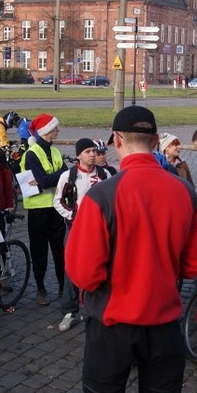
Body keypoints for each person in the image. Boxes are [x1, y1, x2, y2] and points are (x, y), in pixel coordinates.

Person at [65, 106, 197, 393]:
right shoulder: (184, 192)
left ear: (116, 141)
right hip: (163, 324)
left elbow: (83, 273)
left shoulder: (102, 196)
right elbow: (192, 265)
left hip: (112, 325)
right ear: (157, 141)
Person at [54, 138, 110, 333]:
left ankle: (99, 307)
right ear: (78, 155)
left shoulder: (106, 174)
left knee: (102, 267)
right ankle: (70, 310)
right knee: (71, 268)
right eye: (87, 151)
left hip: (100, 231)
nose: (93, 155)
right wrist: (74, 216)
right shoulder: (68, 176)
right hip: (75, 229)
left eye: (94, 151)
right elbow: (58, 201)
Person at [20, 113, 68, 306]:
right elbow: (46, 180)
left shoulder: (55, 151)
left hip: (56, 208)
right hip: (38, 209)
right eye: (55, 128)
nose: (58, 130)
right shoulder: (31, 154)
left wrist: (51, 177)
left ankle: (64, 287)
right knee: (39, 251)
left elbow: (57, 177)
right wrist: (59, 174)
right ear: (46, 131)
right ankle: (41, 288)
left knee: (59, 251)